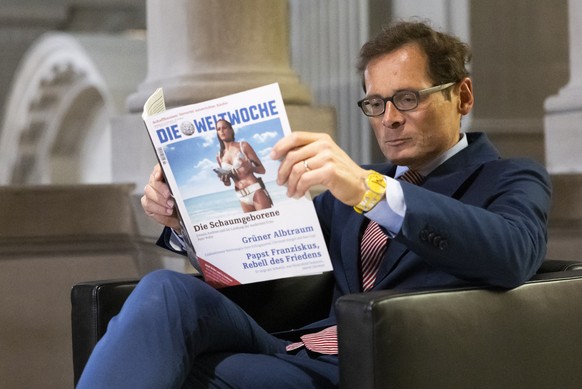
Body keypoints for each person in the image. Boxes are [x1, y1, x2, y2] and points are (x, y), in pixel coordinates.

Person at [77, 20, 551, 388]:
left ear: (462, 96)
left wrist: (370, 191)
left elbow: (511, 254)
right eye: (375, 103)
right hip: (297, 347)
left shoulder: (509, 178)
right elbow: (275, 273)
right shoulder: (357, 185)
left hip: (377, 371)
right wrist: (189, 222)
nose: (388, 119)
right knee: (166, 292)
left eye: (407, 99)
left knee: (174, 370)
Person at [214, 118, 273, 212]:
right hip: (241, 197)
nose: (221, 131)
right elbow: (228, 183)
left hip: (256, 191)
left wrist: (251, 167)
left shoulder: (243, 146)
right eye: (218, 129)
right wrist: (225, 180)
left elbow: (262, 170)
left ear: (231, 130)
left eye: (224, 128)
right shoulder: (219, 156)